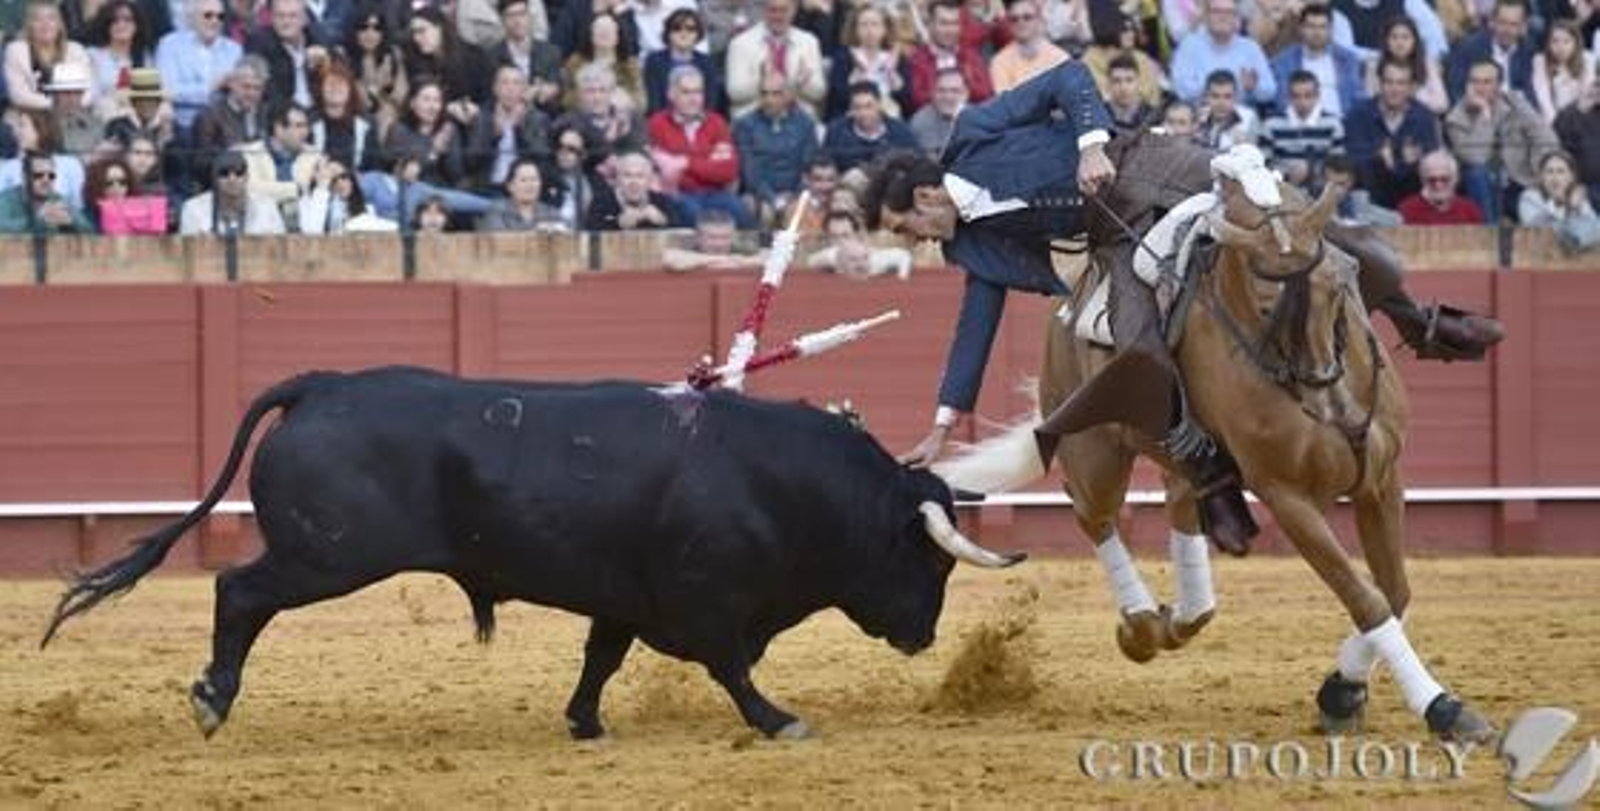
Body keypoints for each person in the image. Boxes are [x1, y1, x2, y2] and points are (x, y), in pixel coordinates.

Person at [866, 60, 1503, 555]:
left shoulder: (974, 132)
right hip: (1113, 240)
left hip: (1147, 167)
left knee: (1295, 227)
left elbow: (1066, 77)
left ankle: (1419, 322)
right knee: (1138, 350)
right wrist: (944, 427)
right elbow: (972, 335)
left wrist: (1090, 143)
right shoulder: (969, 251)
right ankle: (1212, 480)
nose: (912, 240)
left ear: (926, 196)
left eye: (903, 226)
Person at [179, 148, 287, 234]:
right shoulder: (192, 209)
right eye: (224, 174)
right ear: (214, 179)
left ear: (247, 177)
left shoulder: (267, 207)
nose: (232, 179)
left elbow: (280, 251)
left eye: (239, 173)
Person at [0, 151, 94, 233]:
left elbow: (91, 232)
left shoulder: (59, 200)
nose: (46, 180)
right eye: (39, 174)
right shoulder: (6, 199)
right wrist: (37, 221)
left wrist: (71, 223)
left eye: (51, 175)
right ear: (24, 177)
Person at [661, 208, 767, 271]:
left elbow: (773, 258)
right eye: (712, 237)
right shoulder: (689, 249)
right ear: (698, 237)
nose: (719, 244)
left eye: (725, 237)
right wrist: (726, 260)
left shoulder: (740, 249)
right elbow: (669, 258)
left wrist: (745, 261)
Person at [1397, 150, 1486, 225]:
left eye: (1444, 179)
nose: (1438, 185)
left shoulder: (1470, 211)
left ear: (1455, 179)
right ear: (1423, 180)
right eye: (1432, 180)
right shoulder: (1407, 211)